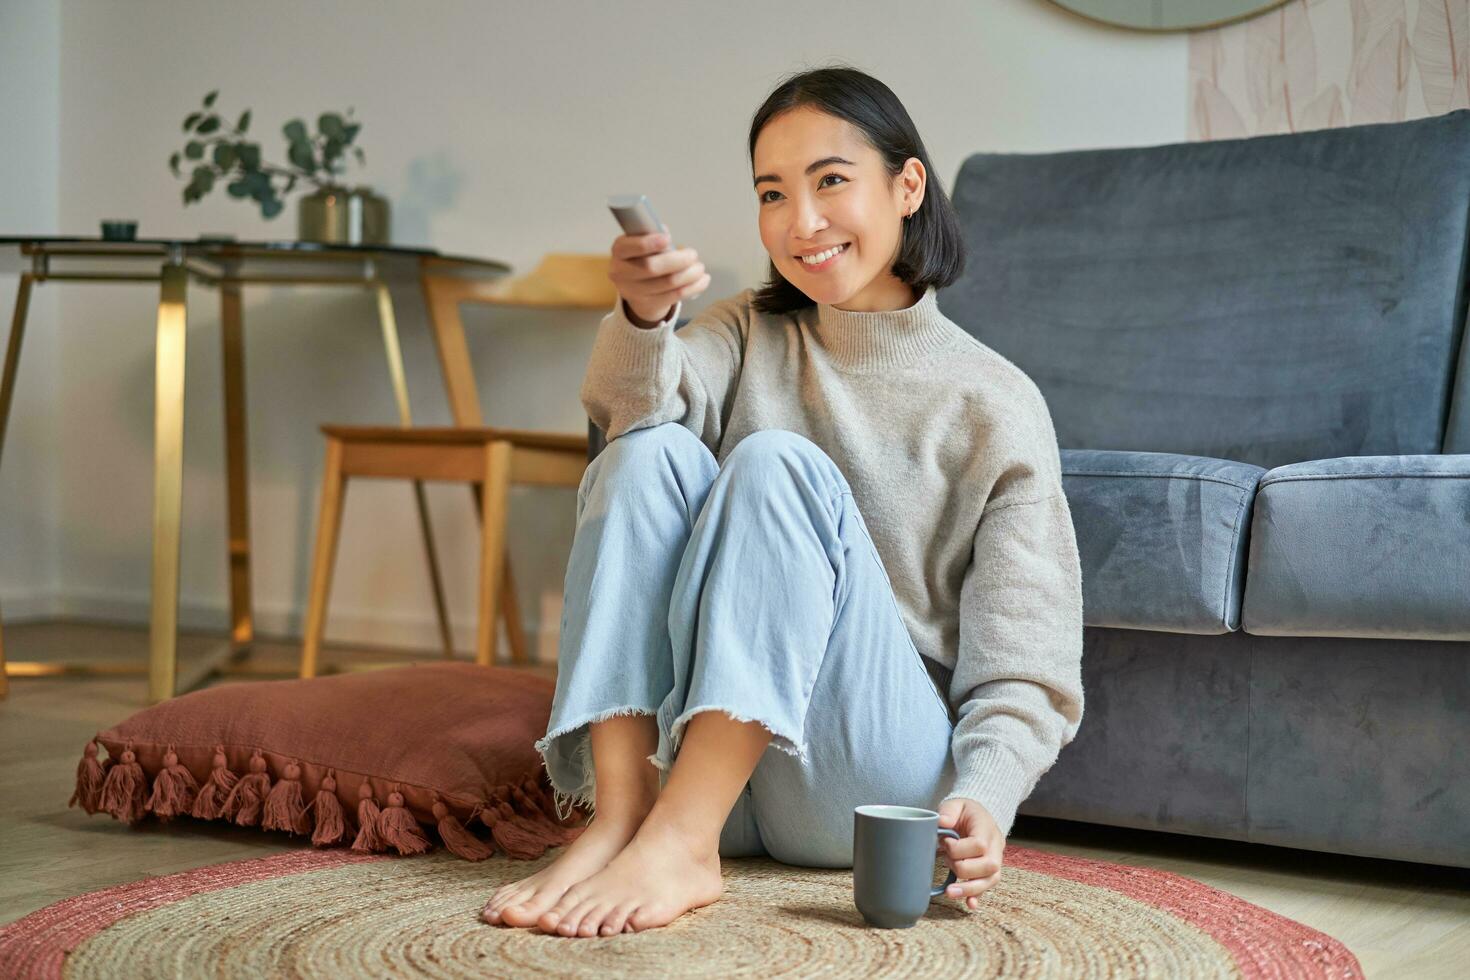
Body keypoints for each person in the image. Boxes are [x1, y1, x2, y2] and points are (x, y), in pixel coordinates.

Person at [481, 64, 1084, 938]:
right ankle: (624, 817)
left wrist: (982, 798)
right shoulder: (742, 331)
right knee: (646, 451)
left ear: (907, 184)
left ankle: (678, 844)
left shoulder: (994, 402)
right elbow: (627, 416)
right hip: (699, 768)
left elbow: (1028, 664)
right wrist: (644, 319)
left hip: (860, 782)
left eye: (830, 181)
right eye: (772, 193)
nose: (800, 223)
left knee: (773, 464)